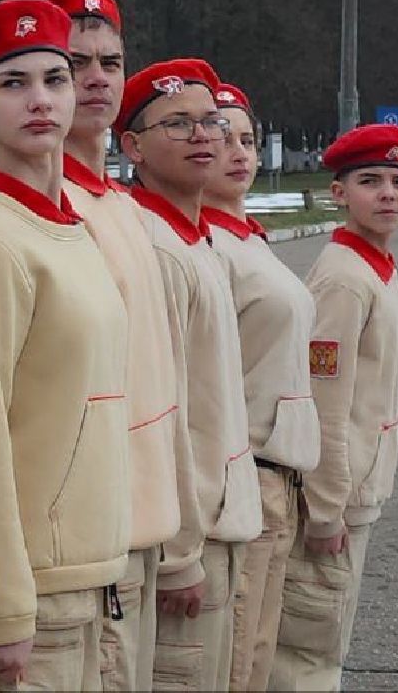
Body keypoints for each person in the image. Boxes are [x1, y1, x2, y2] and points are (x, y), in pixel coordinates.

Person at [0, 0, 130, 691]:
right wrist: (4, 609)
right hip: (34, 592)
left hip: (89, 571)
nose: (40, 100)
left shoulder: (66, 226)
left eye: (54, 79)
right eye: (11, 84)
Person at [48, 0, 190, 690]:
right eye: (74, 63)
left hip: (146, 517)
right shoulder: (52, 208)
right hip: (96, 530)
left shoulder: (116, 203)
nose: (97, 77)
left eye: (110, 60)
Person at [116, 58, 261, 691]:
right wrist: (179, 555)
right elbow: (161, 405)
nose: (204, 136)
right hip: (190, 530)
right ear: (134, 146)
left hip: (222, 514)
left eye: (211, 121)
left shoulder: (197, 237)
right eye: (176, 124)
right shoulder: (153, 246)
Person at [272, 124, 398, 691]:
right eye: (370, 181)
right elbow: (324, 403)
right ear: (339, 193)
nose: (388, 193)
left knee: (330, 634)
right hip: (338, 492)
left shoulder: (376, 267)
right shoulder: (343, 279)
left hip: (362, 484)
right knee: (309, 646)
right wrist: (327, 506)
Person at [203, 83, 321, 691]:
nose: (238, 152)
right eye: (220, 138)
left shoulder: (248, 239)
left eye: (246, 139)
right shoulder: (206, 245)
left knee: (260, 654)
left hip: (281, 476)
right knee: (235, 661)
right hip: (245, 471)